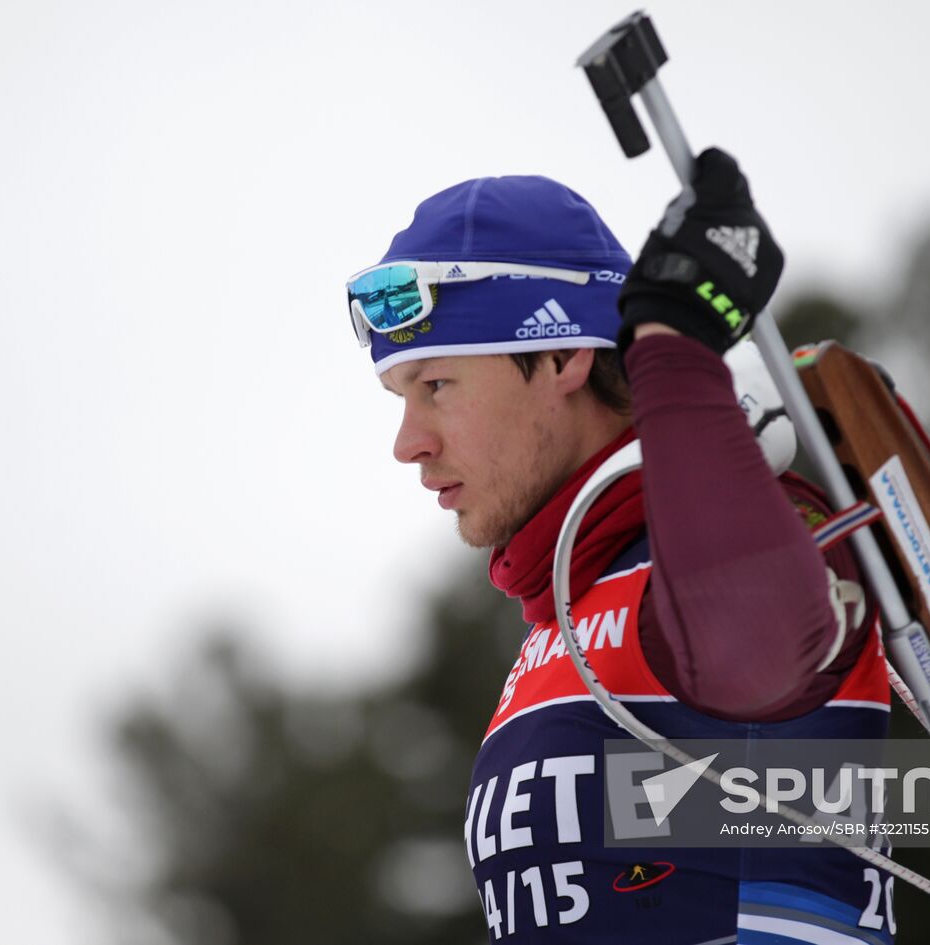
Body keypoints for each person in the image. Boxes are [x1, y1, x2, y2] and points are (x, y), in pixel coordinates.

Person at [347, 149, 895, 943]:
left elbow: (768, 648)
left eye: (437, 386)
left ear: (566, 356)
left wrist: (672, 345)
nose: (409, 442)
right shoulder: (557, 624)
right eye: (401, 397)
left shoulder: (733, 546)